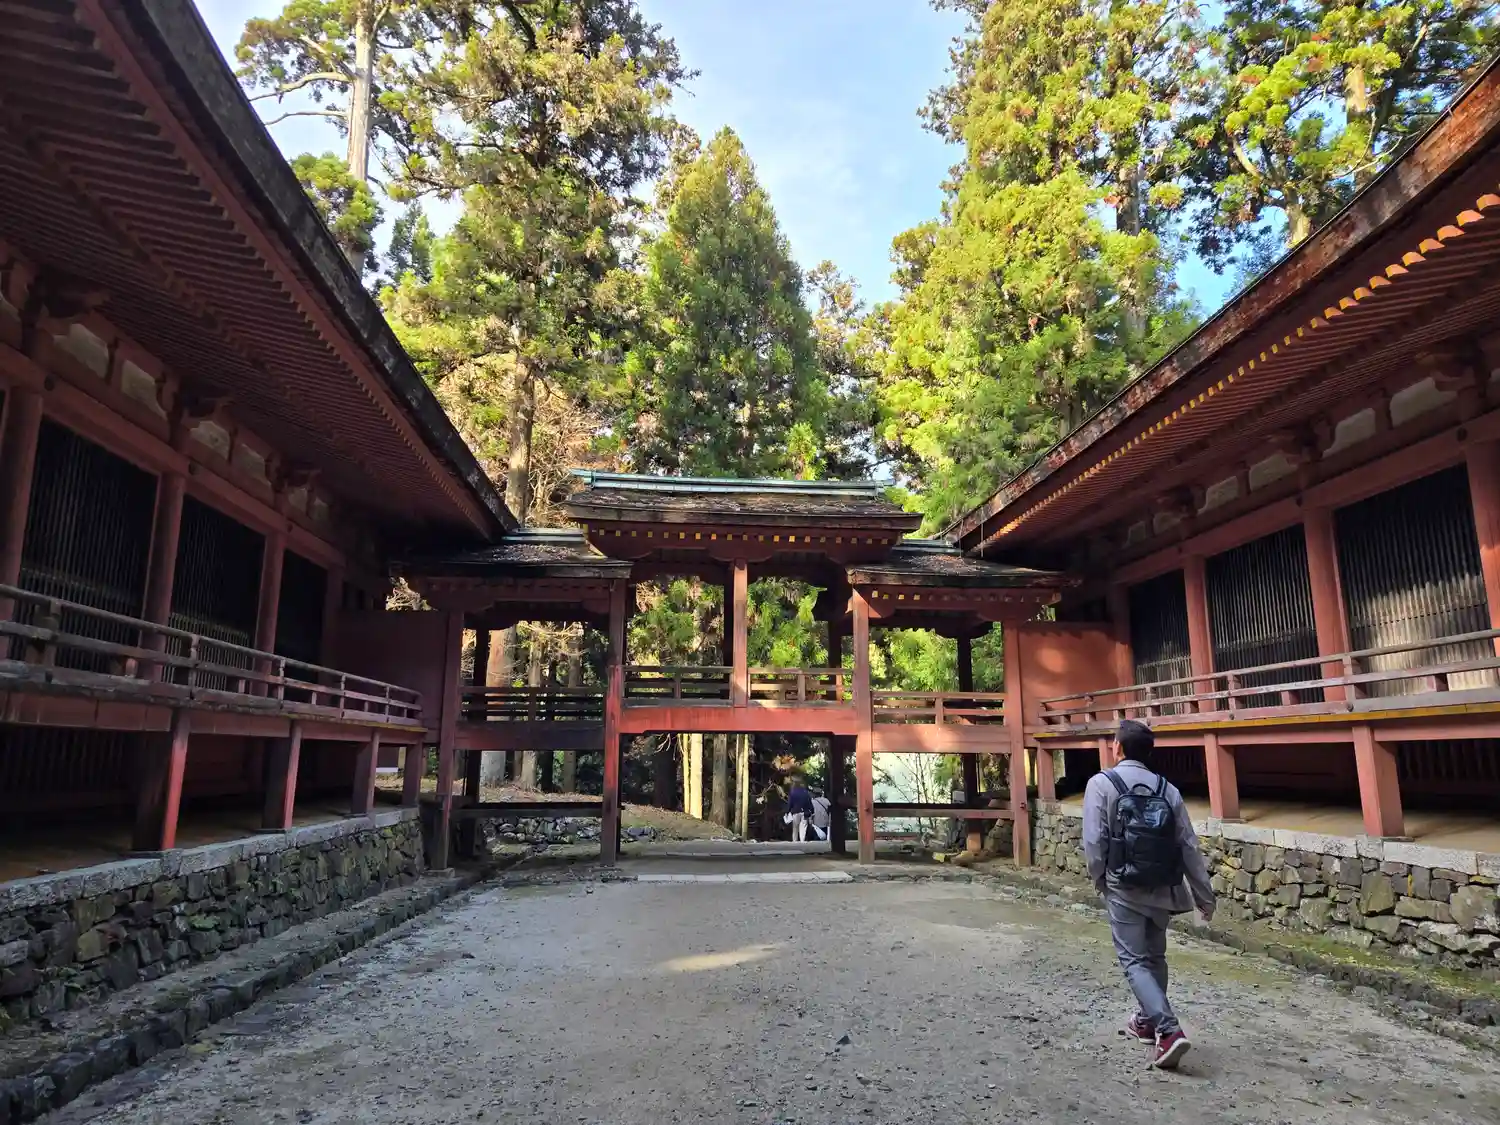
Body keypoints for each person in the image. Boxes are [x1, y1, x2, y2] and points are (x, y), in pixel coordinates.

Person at [1083, 719, 1215, 1071]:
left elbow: (1094, 840)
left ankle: (1168, 1031)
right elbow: (1188, 845)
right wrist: (1204, 895)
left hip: (1123, 885)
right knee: (1155, 957)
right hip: (1163, 885)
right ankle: (1145, 1022)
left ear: (1117, 748)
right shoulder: (1167, 790)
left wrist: (1100, 878)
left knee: (1134, 961)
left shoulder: (1102, 784)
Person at [786, 777, 814, 842]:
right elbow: (809, 803)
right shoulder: (805, 792)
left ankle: (795, 841)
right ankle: (802, 841)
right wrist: (812, 811)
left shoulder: (792, 792)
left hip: (795, 812)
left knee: (795, 828)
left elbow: (790, 803)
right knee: (803, 828)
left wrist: (787, 811)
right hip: (804, 812)